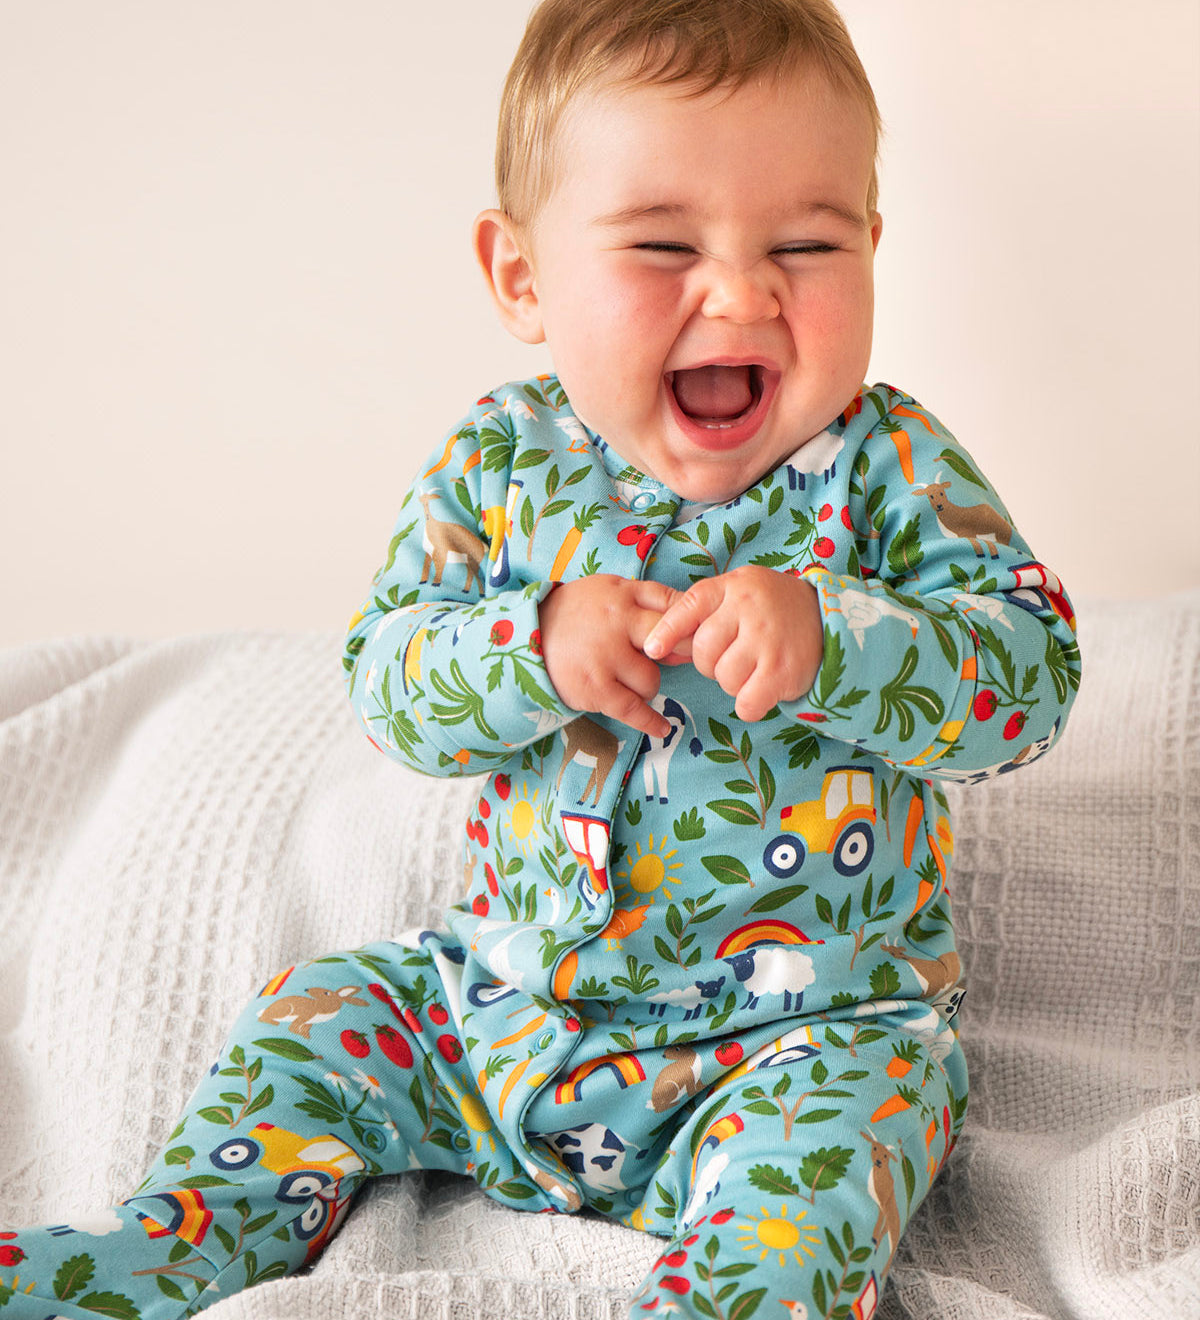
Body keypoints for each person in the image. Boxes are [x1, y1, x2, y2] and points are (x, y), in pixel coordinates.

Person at [0, 2, 1081, 1317]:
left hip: (800, 1043)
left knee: (839, 1146)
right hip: (500, 1016)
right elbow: (390, 682)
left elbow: (1030, 678)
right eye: (664, 245)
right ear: (521, 278)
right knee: (323, 1014)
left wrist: (840, 639)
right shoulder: (501, 466)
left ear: (872, 245)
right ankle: (160, 1257)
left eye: (808, 242)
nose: (743, 291)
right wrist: (532, 647)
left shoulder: (893, 468)